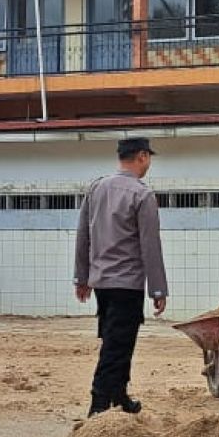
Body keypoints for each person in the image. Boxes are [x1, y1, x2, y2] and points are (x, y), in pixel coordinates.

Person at [74, 137, 167, 418]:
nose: (149, 163)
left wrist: (82, 277)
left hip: (102, 282)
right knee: (117, 345)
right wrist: (158, 290)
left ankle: (119, 395)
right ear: (141, 156)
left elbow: (83, 235)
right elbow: (150, 245)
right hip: (128, 283)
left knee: (117, 340)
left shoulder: (97, 187)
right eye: (148, 157)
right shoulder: (142, 194)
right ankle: (99, 403)